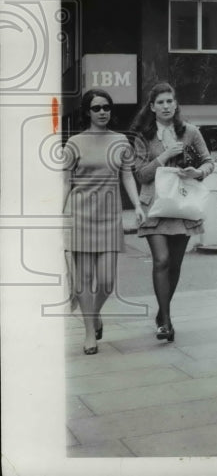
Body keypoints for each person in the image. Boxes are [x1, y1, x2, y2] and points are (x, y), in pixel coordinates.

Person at [130, 82, 214, 342]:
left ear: (175, 104)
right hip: (154, 205)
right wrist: (164, 156)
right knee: (162, 260)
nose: (166, 106)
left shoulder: (190, 132)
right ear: (152, 107)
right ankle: (166, 322)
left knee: (175, 265)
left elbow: (209, 162)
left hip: (182, 204)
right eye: (161, 102)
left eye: (170, 101)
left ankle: (162, 312)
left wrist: (198, 172)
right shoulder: (142, 136)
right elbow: (141, 174)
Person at [63, 89, 143, 355]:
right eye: (96, 108)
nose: (102, 112)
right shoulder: (74, 142)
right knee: (84, 279)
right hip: (80, 214)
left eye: (106, 107)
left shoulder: (121, 141)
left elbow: (128, 177)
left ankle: (94, 314)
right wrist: (57, 214)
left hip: (110, 215)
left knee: (107, 282)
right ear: (87, 112)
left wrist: (139, 205)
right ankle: (89, 333)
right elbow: (65, 182)